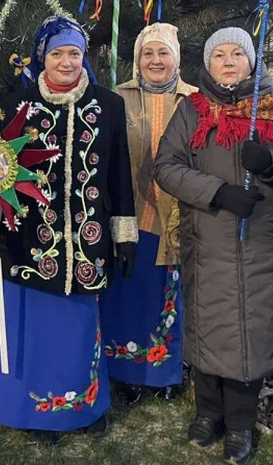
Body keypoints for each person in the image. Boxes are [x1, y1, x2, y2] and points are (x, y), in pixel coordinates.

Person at [154, 27, 273, 464]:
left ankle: (241, 425)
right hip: (208, 243)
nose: (229, 62)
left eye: (238, 54)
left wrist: (271, 163)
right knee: (210, 330)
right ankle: (209, 413)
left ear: (253, 60)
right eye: (219, 55)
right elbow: (167, 167)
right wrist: (217, 192)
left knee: (252, 334)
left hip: (263, 246)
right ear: (207, 65)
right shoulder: (191, 111)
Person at [0, 15, 137, 439]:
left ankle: (81, 409)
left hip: (89, 239)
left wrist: (124, 235)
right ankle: (38, 413)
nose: (66, 62)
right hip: (31, 238)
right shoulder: (17, 105)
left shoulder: (108, 105)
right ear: (41, 57)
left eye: (74, 53)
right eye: (57, 54)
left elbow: (120, 173)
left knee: (79, 325)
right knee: (35, 327)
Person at [100, 23, 196, 405]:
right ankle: (124, 372)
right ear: (137, 59)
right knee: (127, 295)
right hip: (130, 216)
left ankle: (165, 372)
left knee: (168, 297)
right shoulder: (116, 98)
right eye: (147, 53)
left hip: (176, 216)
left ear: (177, 59)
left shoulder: (194, 101)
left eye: (163, 53)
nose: (155, 61)